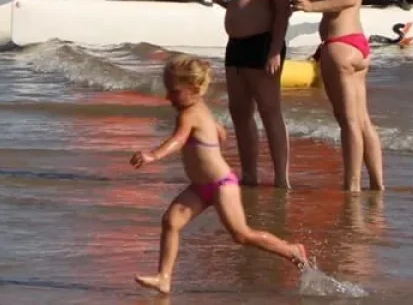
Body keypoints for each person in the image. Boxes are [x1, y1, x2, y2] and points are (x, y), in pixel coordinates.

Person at [129, 56, 306, 293]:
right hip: (201, 187)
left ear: (193, 90)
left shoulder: (189, 114)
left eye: (173, 91)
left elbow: (178, 140)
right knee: (171, 222)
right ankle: (164, 277)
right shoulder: (200, 109)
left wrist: (153, 155)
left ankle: (291, 250)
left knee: (242, 235)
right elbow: (220, 133)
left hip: (222, 185)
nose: (168, 97)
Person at [291, 0, 385, 191]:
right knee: (362, 121)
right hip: (357, 45)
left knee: (349, 123)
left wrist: (310, 8)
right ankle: (378, 186)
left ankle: (352, 187)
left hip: (340, 45)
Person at [215, 0, 292, 188]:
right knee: (238, 110)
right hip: (235, 43)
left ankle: (282, 178)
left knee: (270, 110)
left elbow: (283, 11)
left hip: (263, 42)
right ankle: (250, 174)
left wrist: (274, 50)